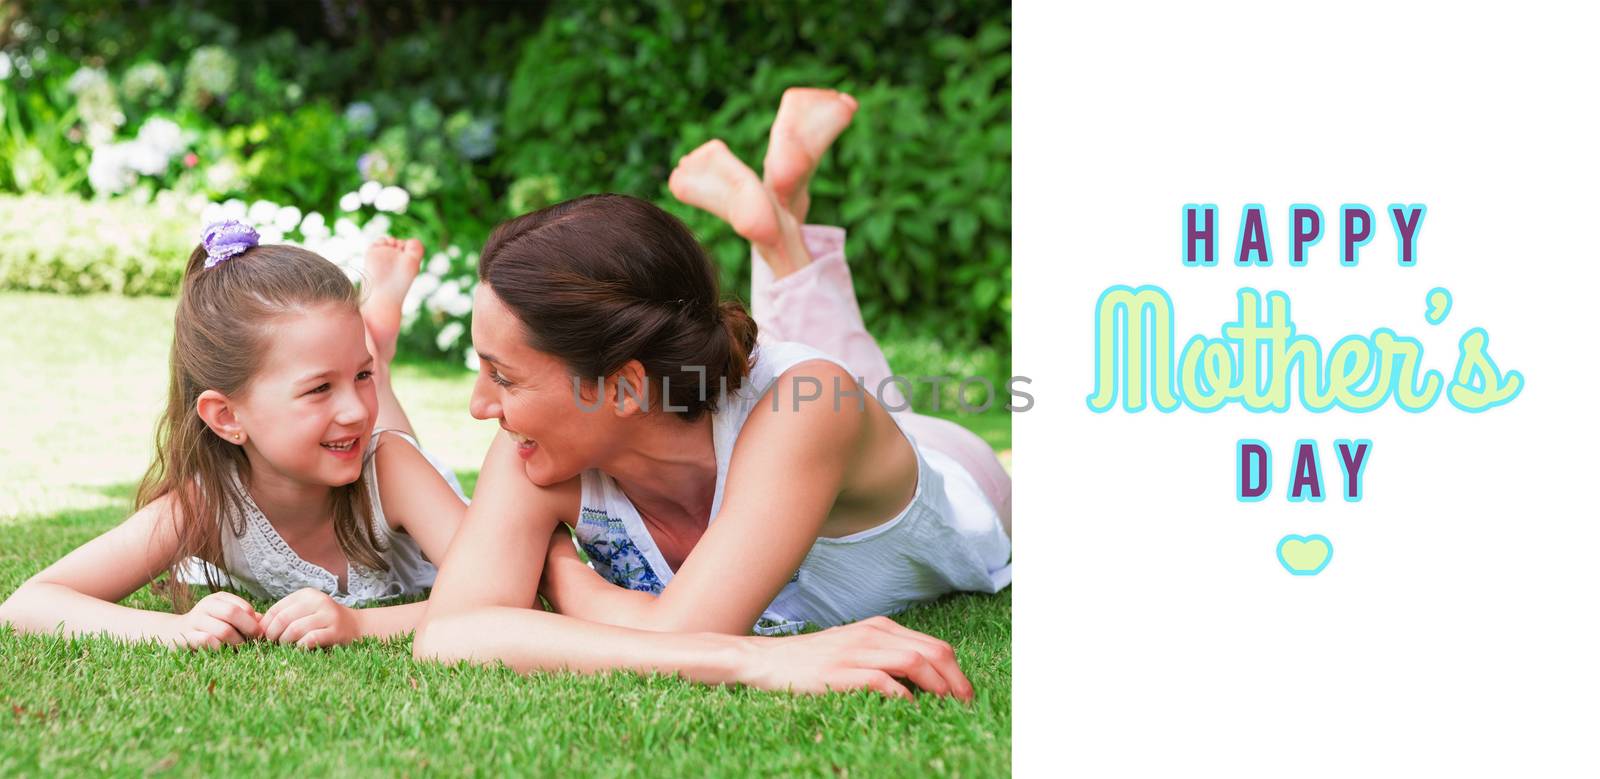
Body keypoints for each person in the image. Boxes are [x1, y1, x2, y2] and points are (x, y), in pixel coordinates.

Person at [414, 88, 1010, 698]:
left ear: (622, 387)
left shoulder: (805, 405)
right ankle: (780, 220)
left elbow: (683, 634)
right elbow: (449, 635)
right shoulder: (537, 449)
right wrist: (755, 662)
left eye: (504, 376)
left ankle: (780, 233)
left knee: (831, 378)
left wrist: (562, 575)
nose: (480, 406)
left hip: (951, 469)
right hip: (780, 418)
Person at [0, 227, 468, 648]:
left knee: (386, 435)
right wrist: (173, 629)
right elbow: (27, 606)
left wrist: (358, 626)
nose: (351, 406)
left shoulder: (392, 465)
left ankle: (377, 352)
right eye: (319, 387)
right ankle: (374, 353)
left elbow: (503, 592)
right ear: (226, 417)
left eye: (358, 375)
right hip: (344, 454)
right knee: (361, 421)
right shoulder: (206, 504)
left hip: (394, 471)